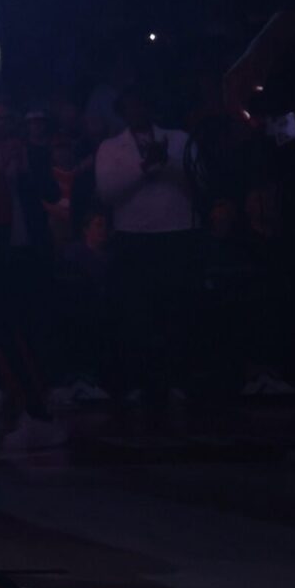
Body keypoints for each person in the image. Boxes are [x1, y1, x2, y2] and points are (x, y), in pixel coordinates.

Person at [94, 86, 200, 405]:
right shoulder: (112, 147)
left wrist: (165, 162)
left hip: (176, 233)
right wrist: (143, 169)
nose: (136, 110)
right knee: (137, 314)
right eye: (130, 105)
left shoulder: (179, 139)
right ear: (122, 110)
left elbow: (200, 180)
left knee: (175, 311)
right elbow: (106, 192)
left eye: (141, 102)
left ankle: (175, 381)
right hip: (133, 238)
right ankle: (140, 381)